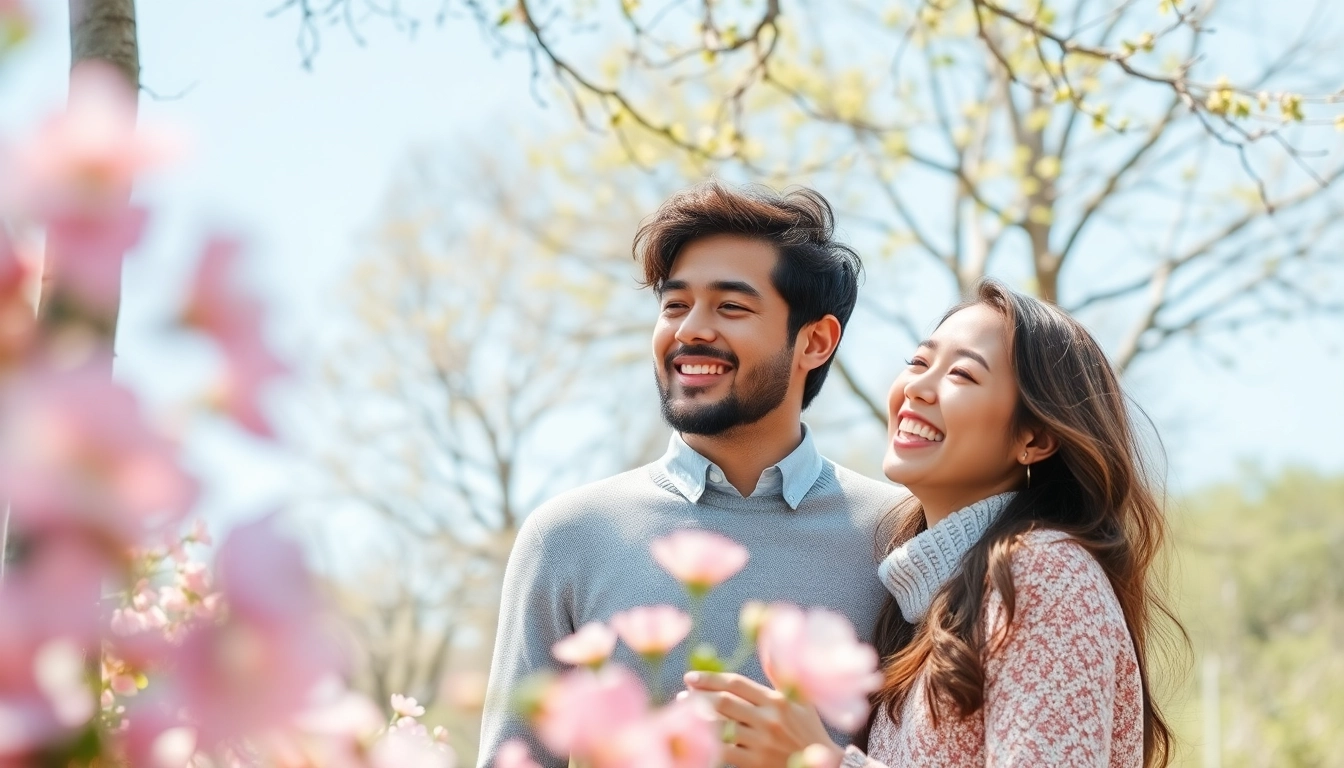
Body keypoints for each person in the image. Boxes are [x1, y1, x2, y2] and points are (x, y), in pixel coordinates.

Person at [477, 182, 908, 767]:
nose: (689, 331)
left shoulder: (901, 537)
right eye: (675, 305)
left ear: (816, 341)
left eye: (730, 307)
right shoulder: (568, 535)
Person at [686, 279, 1181, 767]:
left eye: (962, 375)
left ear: (1034, 438)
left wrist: (821, 761)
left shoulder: (1044, 573)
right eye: (919, 363)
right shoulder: (928, 606)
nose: (917, 387)